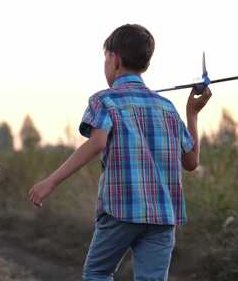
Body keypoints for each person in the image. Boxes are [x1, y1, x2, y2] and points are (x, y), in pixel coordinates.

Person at [28, 24, 212, 280]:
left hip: (121, 209)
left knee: (98, 272)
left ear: (114, 59)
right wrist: (192, 113)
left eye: (105, 58)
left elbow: (97, 143)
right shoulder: (167, 108)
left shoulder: (105, 100)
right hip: (162, 215)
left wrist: (51, 181)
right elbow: (191, 162)